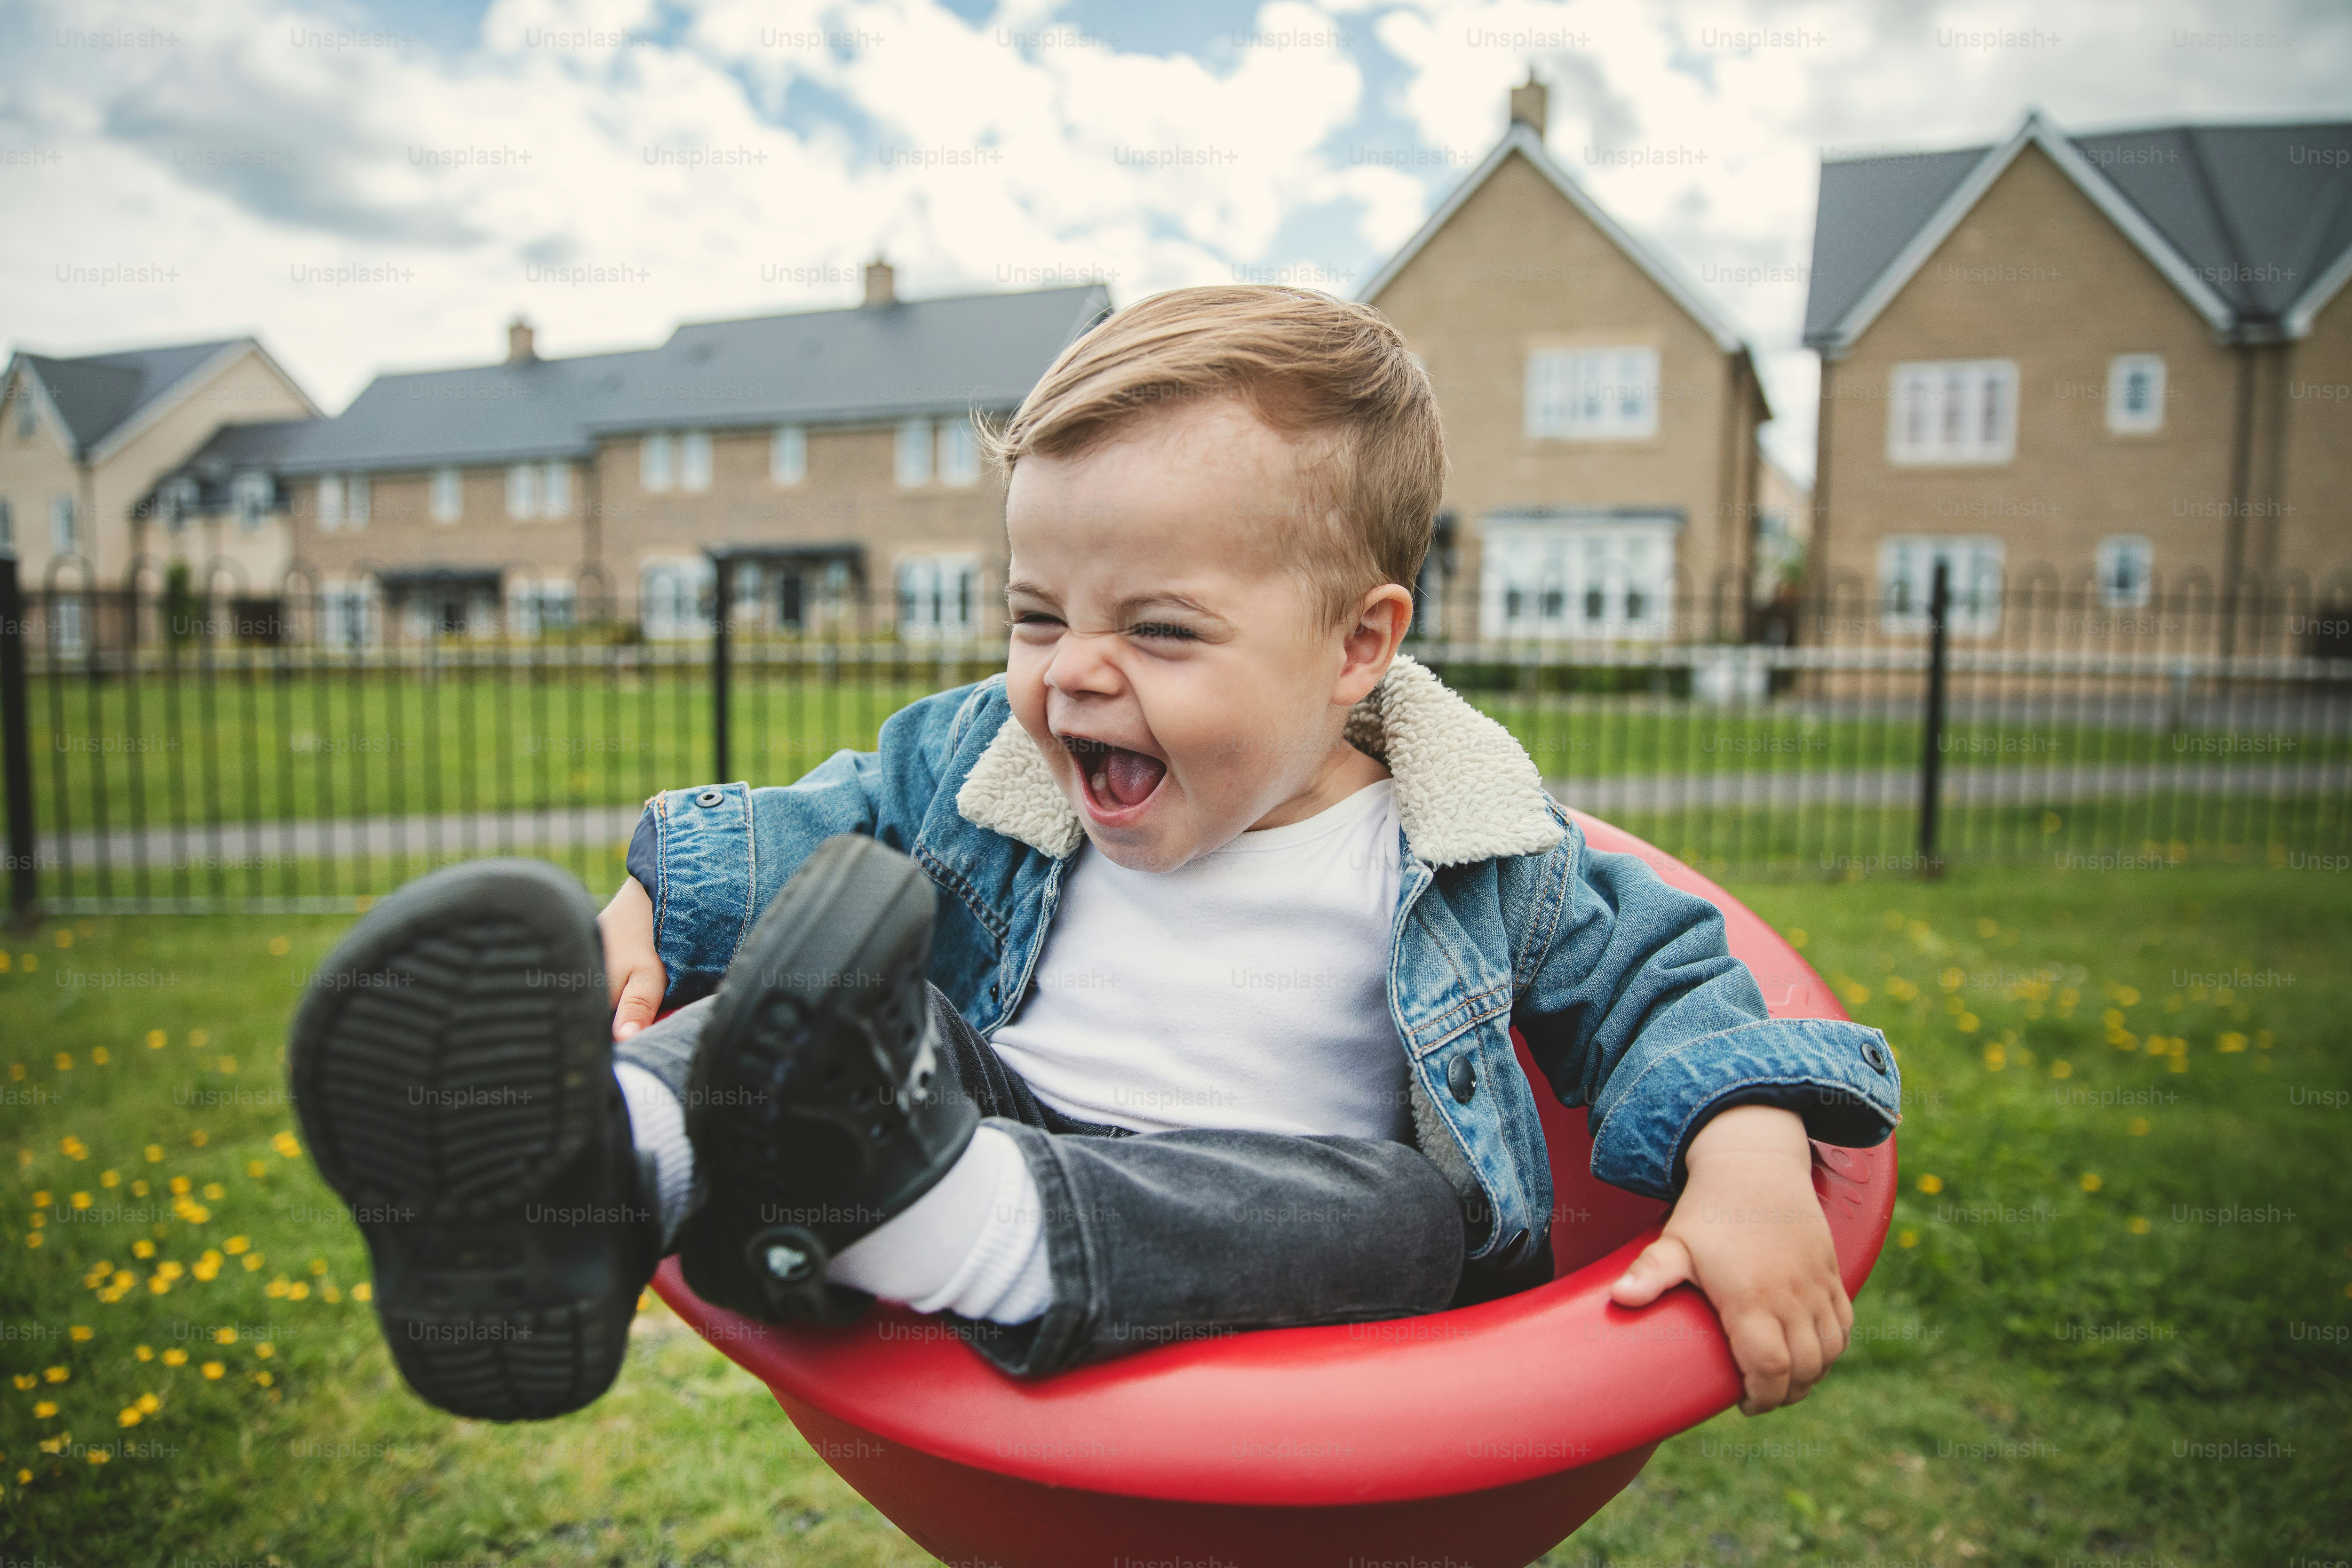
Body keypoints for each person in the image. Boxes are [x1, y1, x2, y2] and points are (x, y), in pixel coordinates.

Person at [288, 286, 1900, 1425]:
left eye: (1160, 629)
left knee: (1404, 1214)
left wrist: (1749, 1155)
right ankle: (591, 1179)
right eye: (1036, 615)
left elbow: (1676, 976)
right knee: (846, 1004)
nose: (1070, 674)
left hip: (1271, 1249)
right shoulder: (1002, 766)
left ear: (1358, 645)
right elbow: (817, 835)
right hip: (962, 1117)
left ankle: (929, 1217)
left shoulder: (1472, 846)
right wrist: (647, 910)